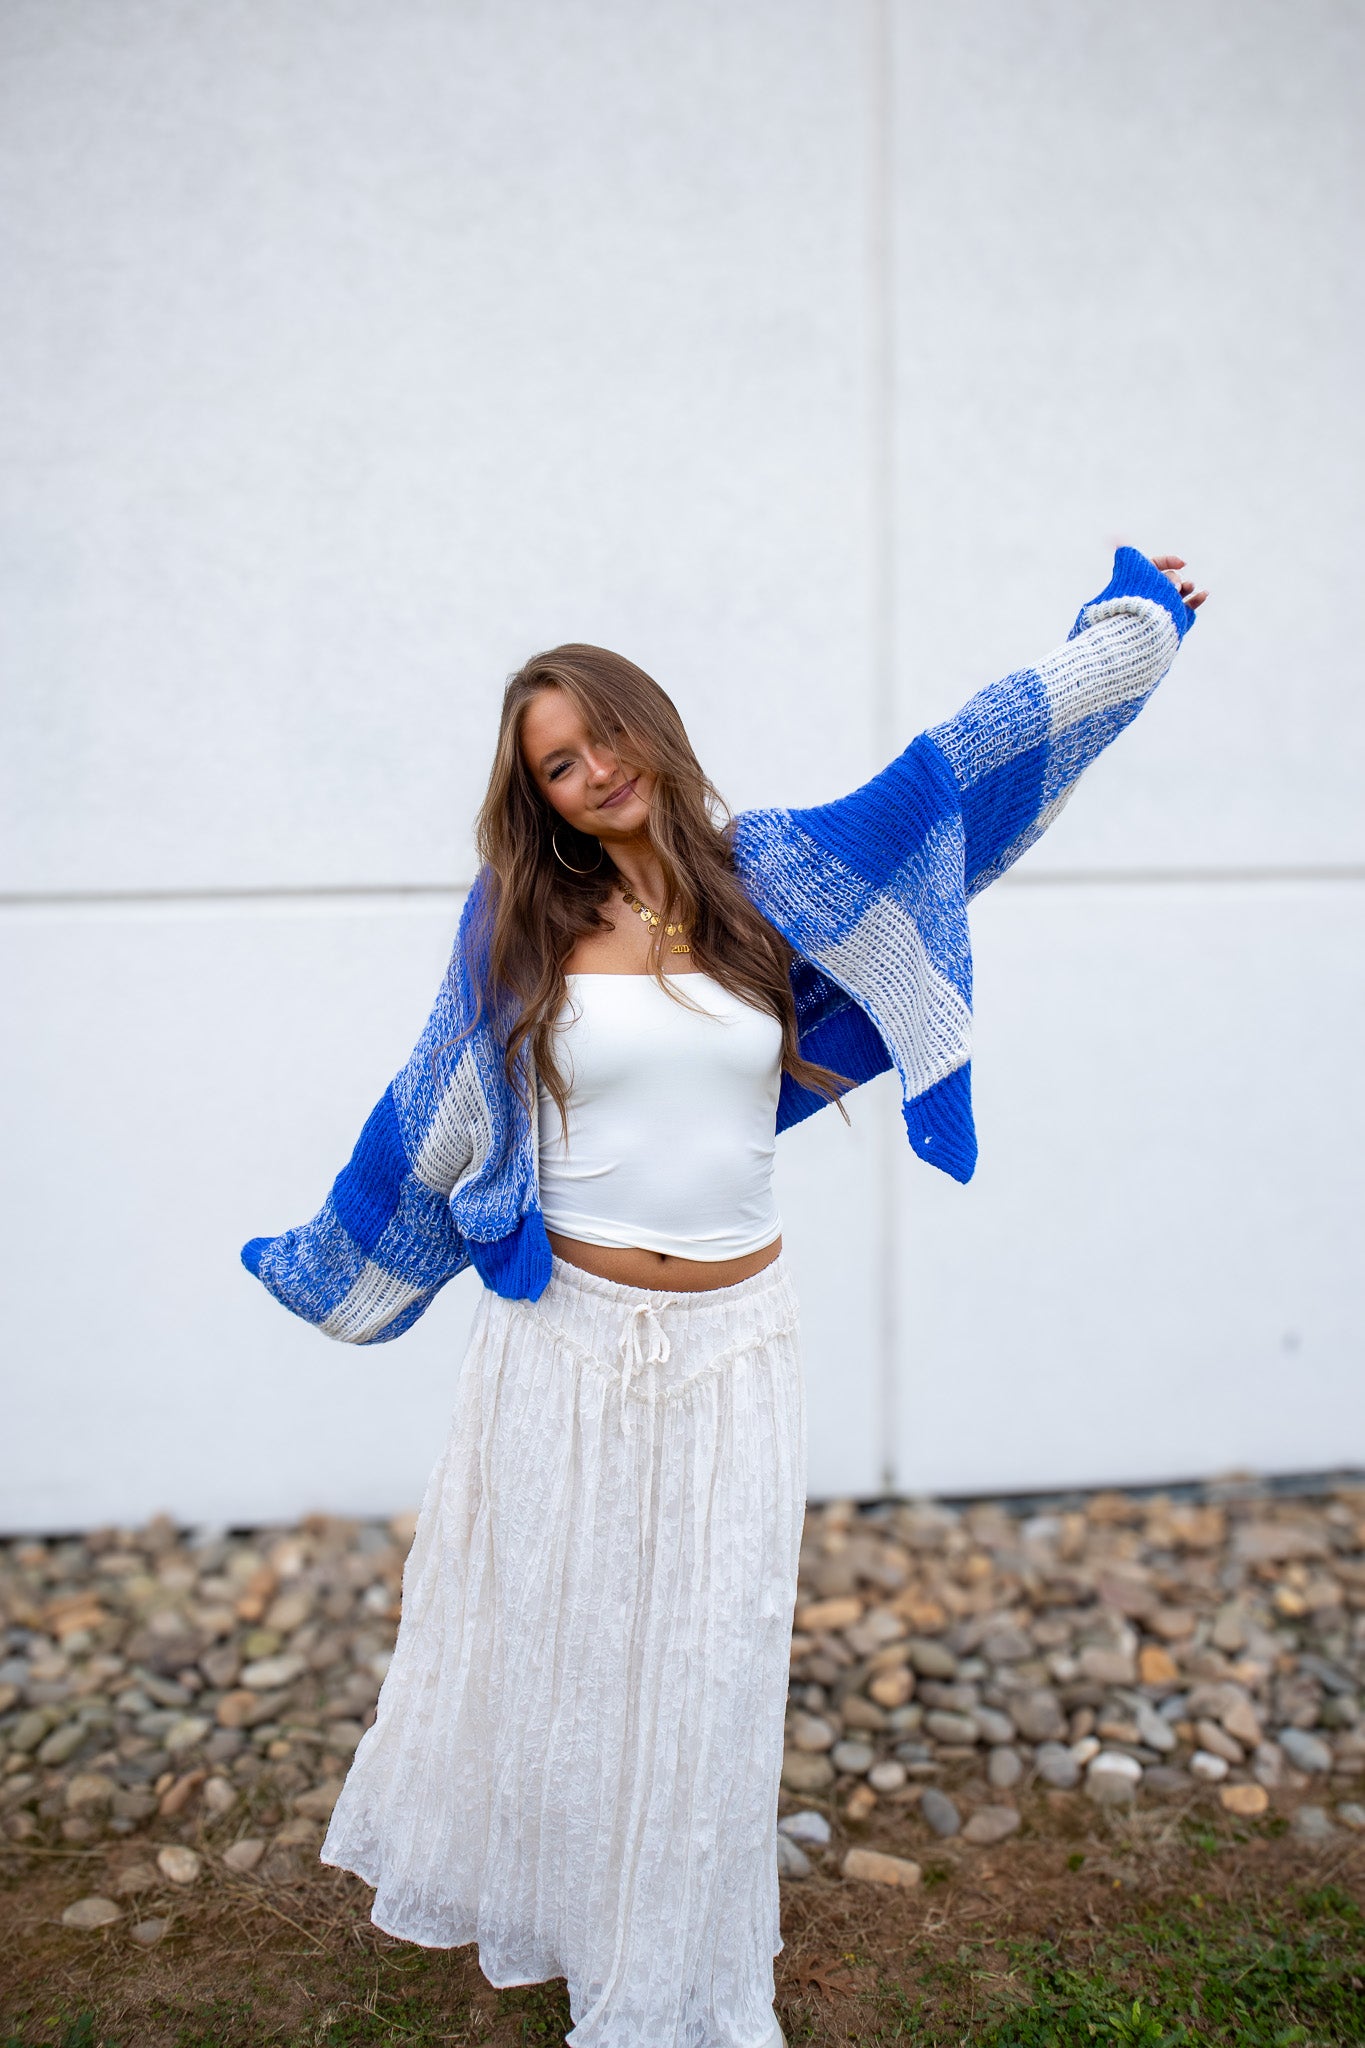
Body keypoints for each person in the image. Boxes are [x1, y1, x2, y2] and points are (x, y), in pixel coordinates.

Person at [242, 546, 1207, 2047]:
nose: (587, 774)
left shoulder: (781, 879)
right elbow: (433, 1107)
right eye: (554, 767)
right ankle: (573, 1917)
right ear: (538, 796)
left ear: (648, 727)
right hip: (558, 1342)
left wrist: (1124, 638)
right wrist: (336, 1258)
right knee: (559, 1641)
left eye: (598, 737)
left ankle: (676, 1983)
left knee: (704, 1660)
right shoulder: (519, 926)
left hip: (733, 1345)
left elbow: (958, 775)